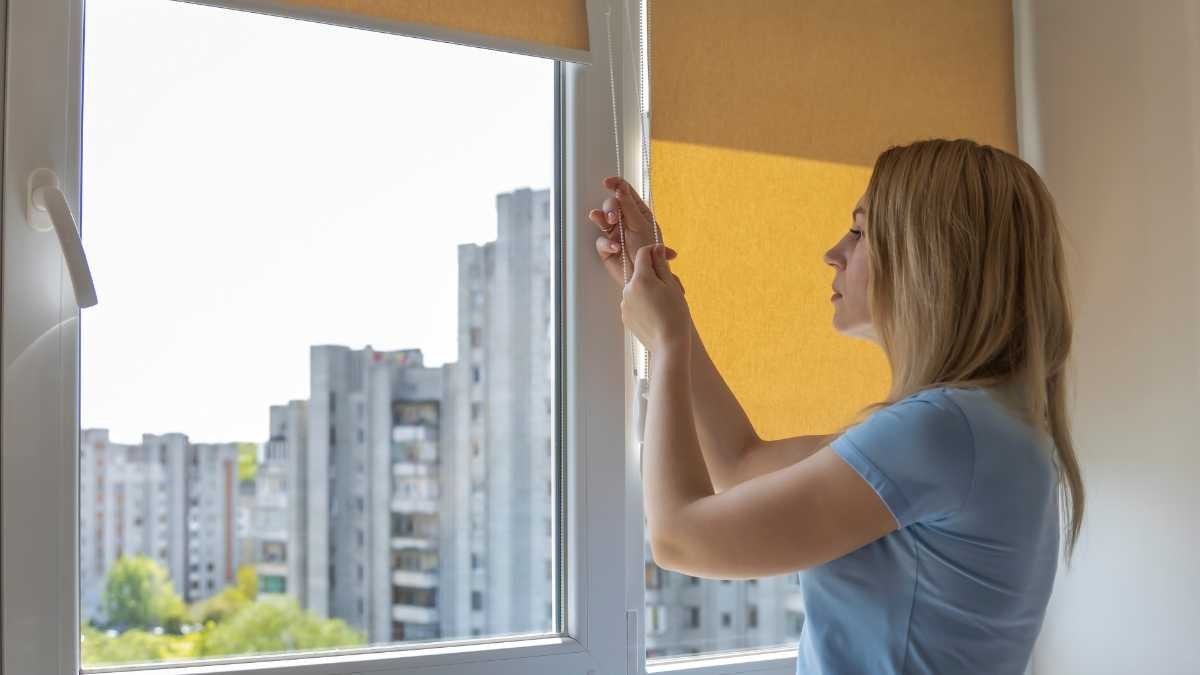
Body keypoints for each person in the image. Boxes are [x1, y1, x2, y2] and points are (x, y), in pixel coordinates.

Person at [587, 138, 1083, 675]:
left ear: (929, 256)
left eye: (859, 230)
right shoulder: (988, 425)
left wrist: (665, 342)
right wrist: (673, 310)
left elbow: (679, 538)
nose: (834, 252)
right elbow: (740, 462)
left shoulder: (942, 431)